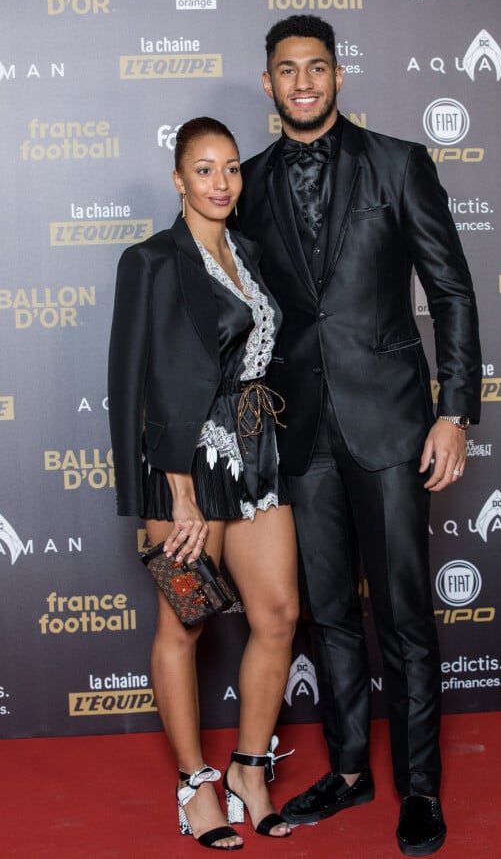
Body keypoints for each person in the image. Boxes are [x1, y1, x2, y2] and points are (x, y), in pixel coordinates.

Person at [234, 15, 482, 857]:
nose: (302, 82)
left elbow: (450, 291)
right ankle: (348, 770)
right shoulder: (252, 182)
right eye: (286, 70)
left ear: (338, 77)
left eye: (316, 67)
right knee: (331, 615)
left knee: (406, 615)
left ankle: (419, 786)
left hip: (392, 424)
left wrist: (454, 411)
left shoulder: (399, 163)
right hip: (298, 436)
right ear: (268, 85)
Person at [108, 117, 299, 851]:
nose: (220, 183)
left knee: (278, 612)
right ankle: (195, 784)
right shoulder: (151, 261)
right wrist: (171, 489)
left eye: (230, 169)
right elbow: (130, 384)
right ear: (178, 178)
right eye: (203, 169)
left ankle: (251, 767)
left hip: (256, 451)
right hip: (185, 464)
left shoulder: (246, 253)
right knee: (183, 624)